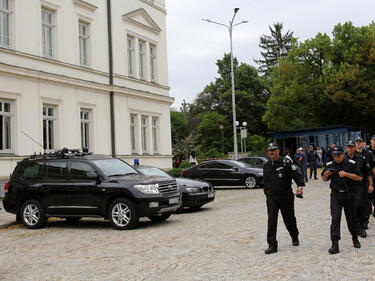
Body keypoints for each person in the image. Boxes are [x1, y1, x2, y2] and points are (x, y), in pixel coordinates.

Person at [263, 143, 305, 254]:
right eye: (269, 150)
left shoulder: (286, 162)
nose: (271, 152)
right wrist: (267, 193)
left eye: (273, 150)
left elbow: (297, 174)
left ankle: (294, 235)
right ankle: (272, 244)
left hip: (285, 196)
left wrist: (300, 186)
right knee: (271, 220)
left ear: (278, 151)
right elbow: (266, 182)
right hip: (272, 197)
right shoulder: (266, 165)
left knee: (289, 219)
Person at [322, 146, 362, 254]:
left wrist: (346, 174)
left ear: (343, 154)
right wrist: (326, 175)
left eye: (338, 155)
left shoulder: (351, 164)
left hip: (349, 195)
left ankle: (354, 237)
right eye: (335, 156)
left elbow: (359, 177)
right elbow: (324, 179)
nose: (337, 158)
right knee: (335, 218)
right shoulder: (330, 165)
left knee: (351, 218)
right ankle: (335, 243)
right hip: (335, 195)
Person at [345, 140, 371, 238]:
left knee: (360, 205)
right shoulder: (343, 158)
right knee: (352, 207)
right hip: (348, 187)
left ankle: (362, 226)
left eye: (352, 146)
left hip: (360, 185)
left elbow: (368, 172)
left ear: (354, 148)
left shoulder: (361, 158)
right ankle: (355, 227)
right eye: (348, 146)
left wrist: (371, 185)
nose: (350, 148)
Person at [354, 136, 374, 230]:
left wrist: (371, 183)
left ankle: (365, 220)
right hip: (355, 182)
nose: (358, 143)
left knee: (366, 201)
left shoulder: (368, 154)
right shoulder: (351, 154)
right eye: (357, 141)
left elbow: (371, 168)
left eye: (360, 141)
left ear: (363, 143)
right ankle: (358, 220)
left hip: (365, 180)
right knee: (357, 202)